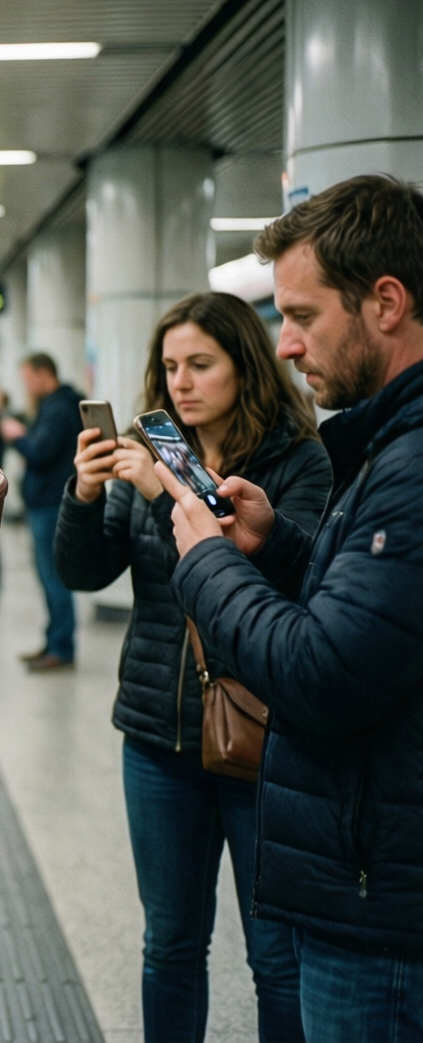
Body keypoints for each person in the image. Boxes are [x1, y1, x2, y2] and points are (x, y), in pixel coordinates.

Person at [157, 175, 423, 1043]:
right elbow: (376, 616)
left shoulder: (409, 462)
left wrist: (205, 562)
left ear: (386, 303)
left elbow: (323, 672)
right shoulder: (387, 443)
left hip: (384, 908)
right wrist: (276, 549)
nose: (288, 344)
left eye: (303, 315)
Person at [57, 292, 330, 1042]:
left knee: (276, 957)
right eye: (171, 365)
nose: (182, 381)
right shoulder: (152, 452)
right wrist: (85, 493)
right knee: (170, 944)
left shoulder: (296, 460)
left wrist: (163, 495)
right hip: (158, 734)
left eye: (201, 364)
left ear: (245, 367)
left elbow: (289, 584)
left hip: (263, 736)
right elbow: (83, 571)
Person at [0, 352, 83, 669]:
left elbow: (40, 452)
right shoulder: (56, 406)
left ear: (43, 374)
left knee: (53, 575)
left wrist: (17, 437)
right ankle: (53, 641)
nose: (26, 386)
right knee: (48, 575)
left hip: (51, 502)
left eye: (28, 379)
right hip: (47, 500)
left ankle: (60, 647)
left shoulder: (58, 409)